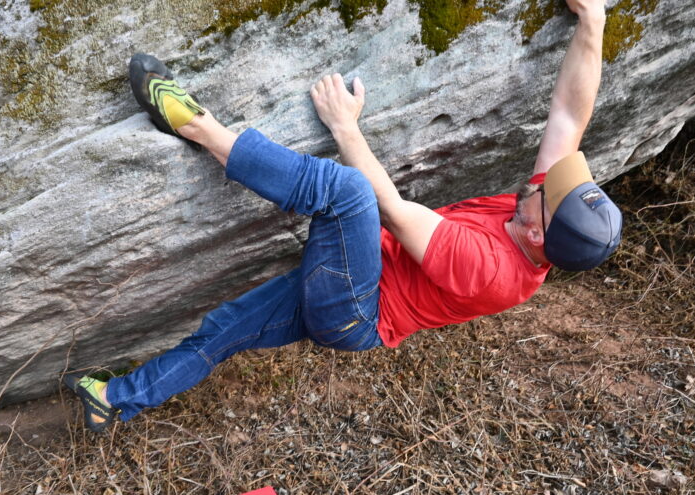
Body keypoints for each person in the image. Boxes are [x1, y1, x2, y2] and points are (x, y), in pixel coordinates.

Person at [64, 0, 621, 433]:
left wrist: (345, 126)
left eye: (555, 193)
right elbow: (571, 115)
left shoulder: (493, 272)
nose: (548, 183)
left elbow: (391, 211)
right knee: (225, 330)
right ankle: (112, 401)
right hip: (355, 279)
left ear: (538, 232)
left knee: (347, 192)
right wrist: (592, 20)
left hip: (356, 311)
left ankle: (198, 127)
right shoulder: (539, 221)